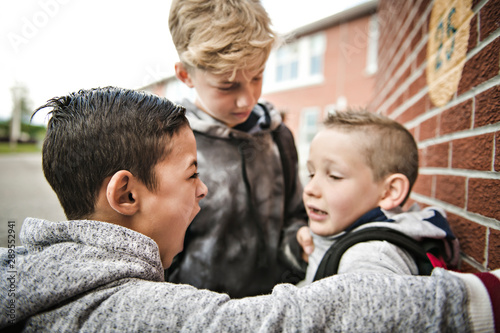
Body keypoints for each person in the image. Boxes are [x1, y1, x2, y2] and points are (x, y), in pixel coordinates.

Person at [0, 87, 497, 332]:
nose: (205, 191)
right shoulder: (124, 311)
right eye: (193, 174)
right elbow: (279, 322)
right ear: (127, 195)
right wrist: (475, 299)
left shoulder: (28, 273)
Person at [166, 0, 312, 297]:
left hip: (272, 307)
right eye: (227, 85)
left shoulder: (279, 136)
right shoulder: (167, 144)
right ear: (185, 75)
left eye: (257, 76)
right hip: (199, 315)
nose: (247, 99)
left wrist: (298, 243)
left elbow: (294, 214)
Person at [301, 109, 460, 284]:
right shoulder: (343, 226)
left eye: (334, 176)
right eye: (311, 174)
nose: (310, 188)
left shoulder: (372, 258)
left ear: (390, 191)